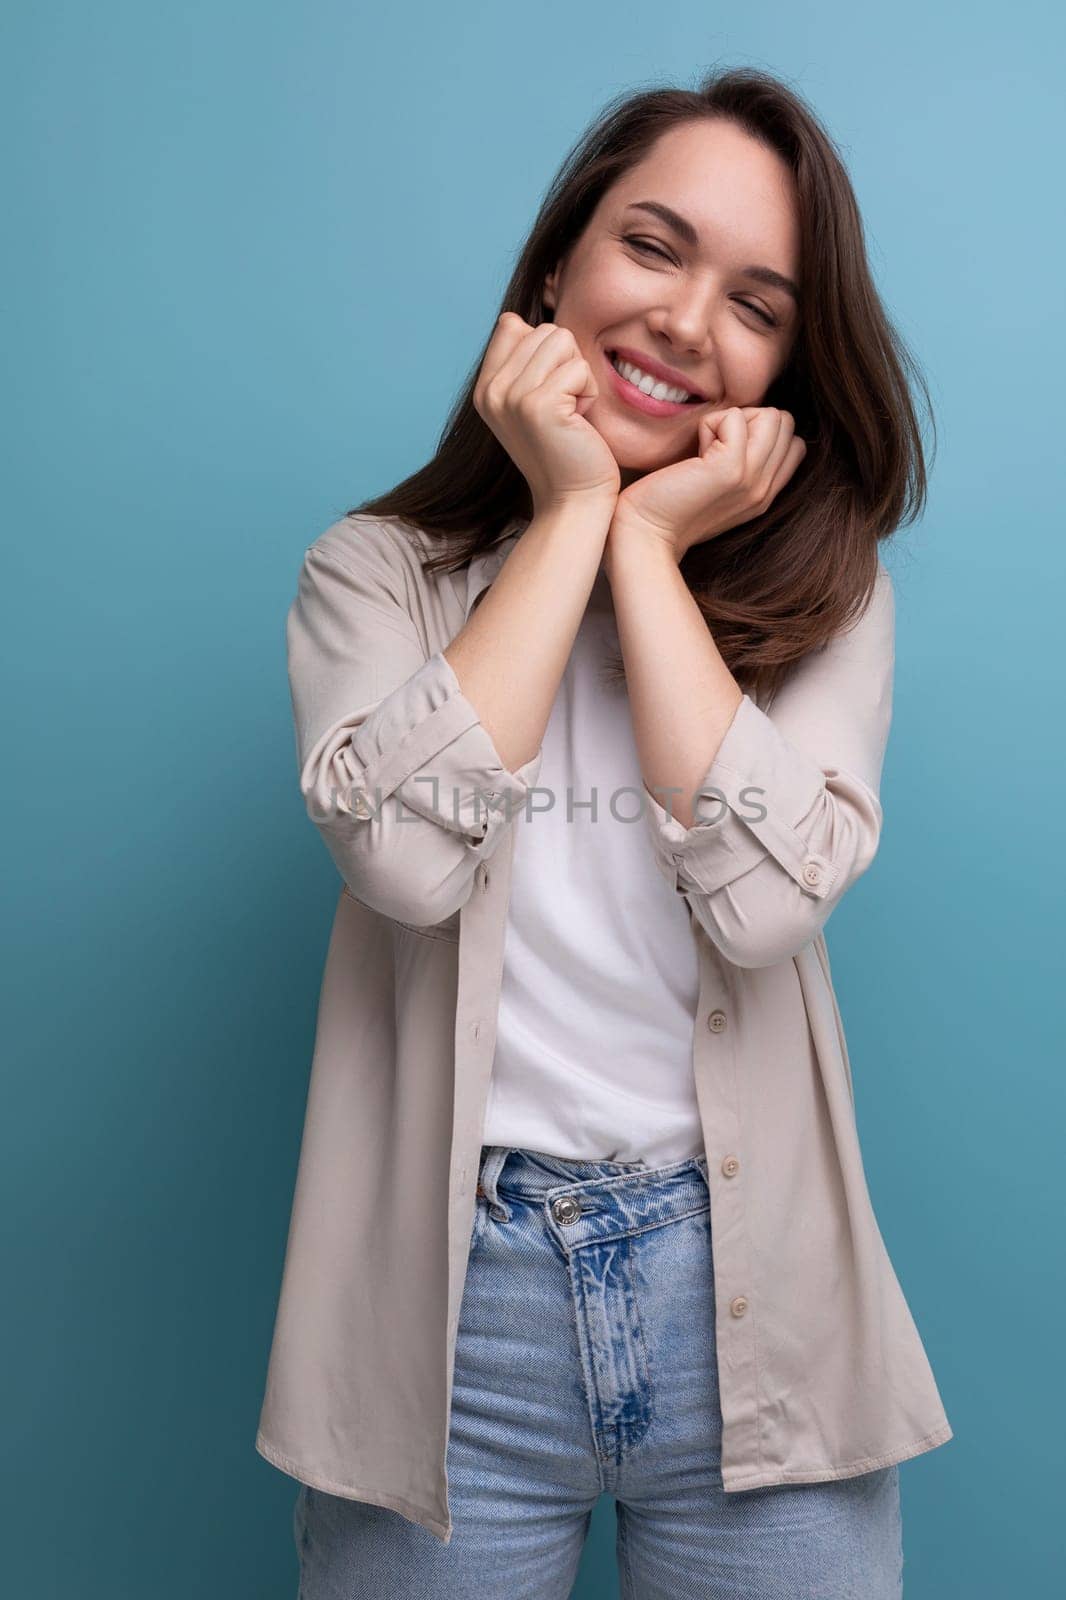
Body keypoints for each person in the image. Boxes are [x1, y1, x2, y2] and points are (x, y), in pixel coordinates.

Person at [256, 65, 953, 1598]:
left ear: (785, 364)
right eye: (652, 247)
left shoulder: (832, 605)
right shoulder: (373, 575)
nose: (690, 322)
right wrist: (571, 515)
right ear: (554, 268)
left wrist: (648, 545)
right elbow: (405, 863)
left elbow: (767, 909)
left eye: (757, 302)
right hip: (444, 1323)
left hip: (757, 1304)